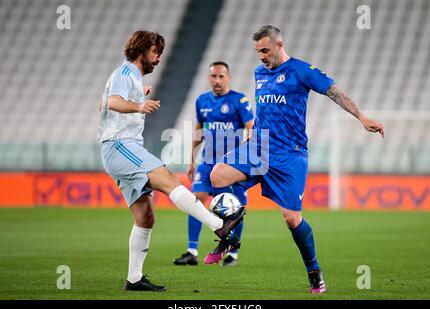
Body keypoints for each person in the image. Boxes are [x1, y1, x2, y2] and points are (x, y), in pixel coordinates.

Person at [207, 25, 385, 294]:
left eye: (265, 50)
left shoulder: (302, 71)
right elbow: (265, 109)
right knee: (218, 175)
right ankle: (231, 237)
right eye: (257, 52)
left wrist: (361, 117)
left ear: (280, 45)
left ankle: (314, 271)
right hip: (259, 146)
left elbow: (334, 92)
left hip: (290, 154)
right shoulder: (259, 73)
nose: (261, 57)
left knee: (292, 219)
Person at [97, 31, 245, 292]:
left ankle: (133, 280)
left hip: (119, 149)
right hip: (120, 146)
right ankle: (220, 226)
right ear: (142, 50)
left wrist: (137, 97)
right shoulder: (126, 73)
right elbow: (111, 102)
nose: (157, 59)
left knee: (145, 217)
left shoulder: (130, 78)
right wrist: (139, 106)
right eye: (155, 53)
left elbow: (103, 103)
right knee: (169, 180)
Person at [173, 61, 254, 267]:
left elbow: (251, 126)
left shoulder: (239, 100)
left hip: (230, 167)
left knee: (235, 207)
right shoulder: (202, 101)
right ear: (209, 78)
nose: (217, 80)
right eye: (213, 76)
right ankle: (192, 251)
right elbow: (199, 128)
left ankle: (233, 253)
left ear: (228, 77)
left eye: (221, 76)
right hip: (207, 162)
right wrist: (192, 159)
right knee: (195, 201)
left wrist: (248, 144)